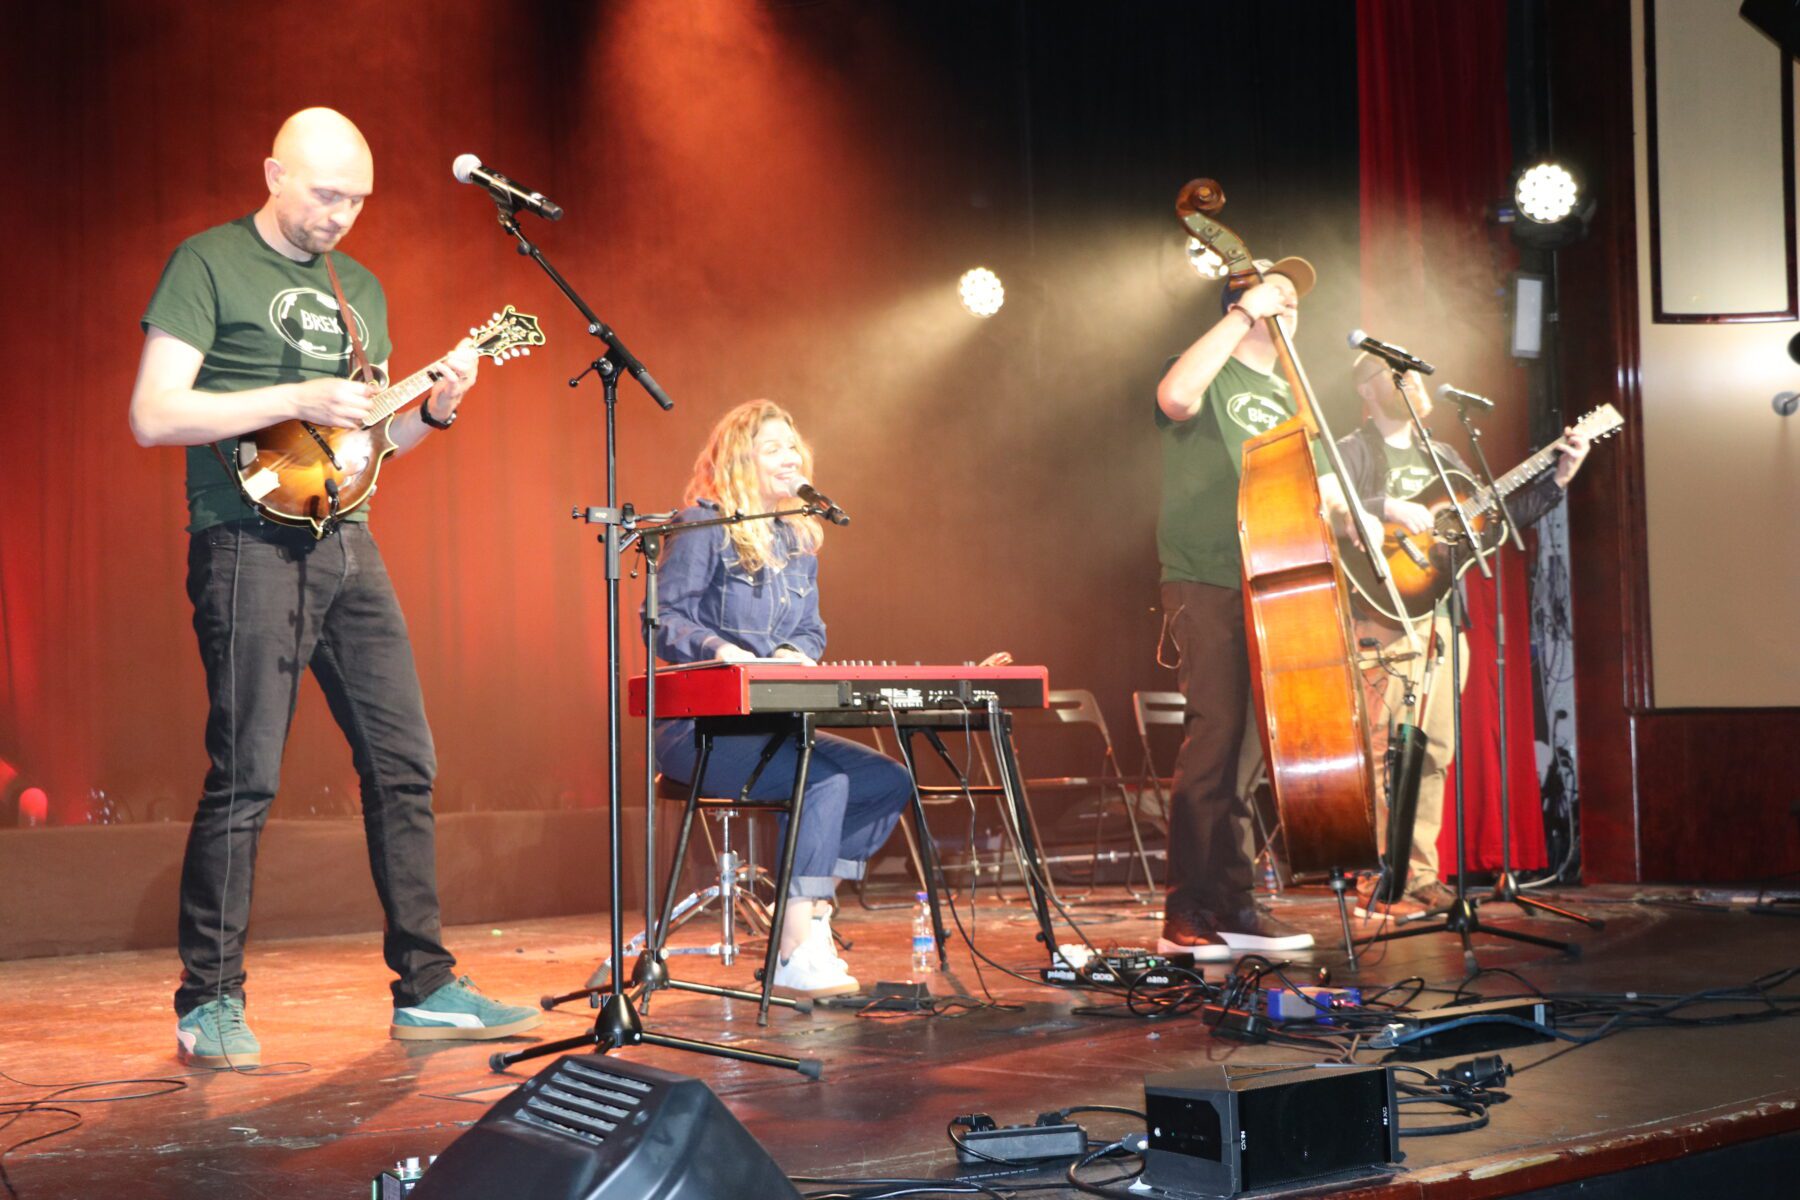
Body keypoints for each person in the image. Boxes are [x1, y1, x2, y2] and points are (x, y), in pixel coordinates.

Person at [129, 108, 539, 1068]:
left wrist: (436, 409)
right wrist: (295, 397)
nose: (340, 215)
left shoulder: (361, 291)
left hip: (347, 539)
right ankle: (209, 1000)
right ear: (273, 173)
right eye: (324, 195)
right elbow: (153, 414)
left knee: (405, 761)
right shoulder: (208, 263)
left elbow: (370, 444)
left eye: (357, 200)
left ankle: (427, 988)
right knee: (248, 773)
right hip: (245, 541)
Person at [651, 400, 914, 998]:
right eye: (772, 447)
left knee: (885, 781)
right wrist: (721, 649)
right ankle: (794, 949)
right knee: (823, 782)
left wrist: (796, 651)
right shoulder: (703, 526)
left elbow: (812, 629)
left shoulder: (796, 538)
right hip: (699, 731)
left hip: (772, 727)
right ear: (739, 460)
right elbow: (663, 619)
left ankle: (808, 914)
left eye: (792, 446)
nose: (790, 456)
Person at [1325, 352, 1590, 918]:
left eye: (1414, 371)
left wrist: (1558, 478)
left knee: (1434, 751)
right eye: (1395, 373)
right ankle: (1376, 877)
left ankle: (1418, 875)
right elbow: (1320, 505)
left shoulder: (1443, 457)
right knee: (1382, 750)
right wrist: (1387, 506)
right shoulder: (1351, 451)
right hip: (1382, 615)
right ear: (1367, 389)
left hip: (1444, 620)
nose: (1412, 380)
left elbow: (1492, 524)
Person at [1151, 258, 1323, 961]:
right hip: (1208, 576)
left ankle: (1235, 903)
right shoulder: (1209, 368)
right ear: (1240, 303)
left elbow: (1313, 492)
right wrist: (1247, 311)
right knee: (1215, 740)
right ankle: (1186, 910)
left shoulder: (1292, 394)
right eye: (1278, 290)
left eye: (1294, 298)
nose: (1290, 303)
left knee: (1250, 758)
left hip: (1276, 586)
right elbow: (1174, 397)